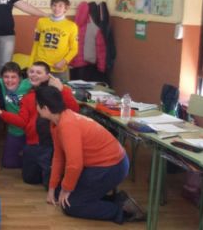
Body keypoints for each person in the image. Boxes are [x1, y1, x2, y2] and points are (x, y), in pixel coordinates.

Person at [35, 86, 146, 223]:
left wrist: (66, 190)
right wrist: (52, 189)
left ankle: (122, 211)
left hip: (112, 166)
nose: (36, 108)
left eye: (37, 105)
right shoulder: (56, 123)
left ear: (45, 108)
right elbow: (59, 157)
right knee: (60, 193)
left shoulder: (67, 125)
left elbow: (75, 165)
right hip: (100, 165)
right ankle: (120, 199)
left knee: (72, 206)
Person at [0, 61, 79, 186]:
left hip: (53, 141)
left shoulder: (57, 90)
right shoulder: (29, 96)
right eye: (31, 72)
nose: (34, 75)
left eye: (38, 72)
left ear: (48, 76)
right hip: (32, 141)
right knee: (29, 178)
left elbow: (74, 109)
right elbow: (23, 121)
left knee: (51, 177)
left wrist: (62, 90)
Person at [30, 0, 79, 81]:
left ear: (66, 8)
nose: (56, 8)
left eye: (60, 6)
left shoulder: (72, 26)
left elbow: (74, 49)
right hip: (41, 67)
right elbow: (36, 43)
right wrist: (31, 63)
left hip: (58, 67)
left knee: (61, 92)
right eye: (54, 5)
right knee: (39, 92)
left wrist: (64, 61)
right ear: (51, 6)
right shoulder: (41, 22)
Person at [0, 62, 32, 169]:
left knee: (32, 163)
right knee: (8, 163)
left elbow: (45, 78)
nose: (9, 80)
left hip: (30, 130)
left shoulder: (27, 84)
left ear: (20, 78)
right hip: (14, 130)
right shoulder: (0, 84)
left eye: (13, 77)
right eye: (6, 77)